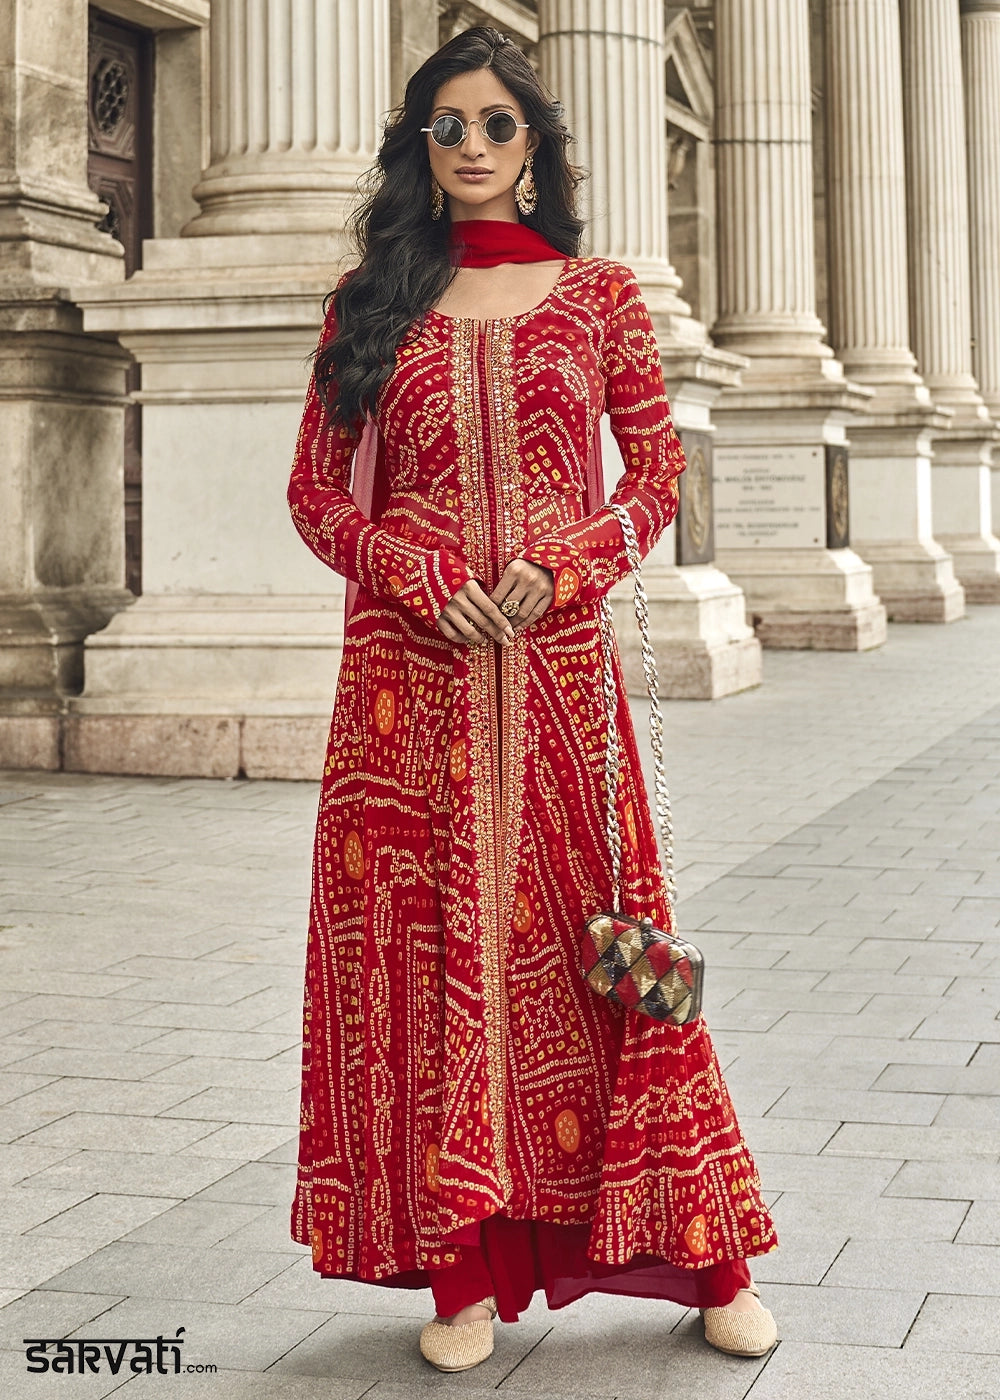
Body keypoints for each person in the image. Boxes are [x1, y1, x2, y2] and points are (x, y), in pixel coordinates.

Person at [287, 25, 778, 1375]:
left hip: (561, 680)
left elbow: (657, 481)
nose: (474, 147)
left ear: (536, 145)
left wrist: (565, 565)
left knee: (604, 954)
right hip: (410, 690)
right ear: (421, 149)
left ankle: (709, 1256)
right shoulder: (373, 298)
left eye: (497, 123)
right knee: (429, 962)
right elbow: (319, 495)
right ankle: (460, 1274)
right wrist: (411, 565)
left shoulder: (601, 296)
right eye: (448, 126)